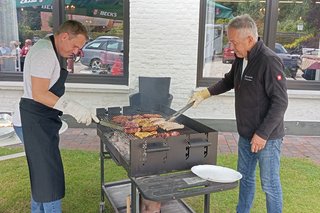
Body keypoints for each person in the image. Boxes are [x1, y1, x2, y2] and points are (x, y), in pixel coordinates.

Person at [189, 14, 288, 213]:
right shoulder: (241, 58)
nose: (232, 47)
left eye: (234, 42)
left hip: (266, 138)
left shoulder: (269, 61)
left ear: (250, 39)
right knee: (245, 178)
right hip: (245, 134)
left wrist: (262, 134)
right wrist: (206, 93)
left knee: (269, 184)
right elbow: (228, 81)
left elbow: (280, 102)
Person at [19, 20, 99, 213]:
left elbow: (50, 89)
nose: (76, 51)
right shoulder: (45, 53)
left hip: (40, 120)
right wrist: (73, 108)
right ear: (64, 36)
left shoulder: (50, 48)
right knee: (49, 179)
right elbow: (39, 94)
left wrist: (76, 105)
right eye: (75, 46)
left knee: (41, 177)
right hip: (36, 121)